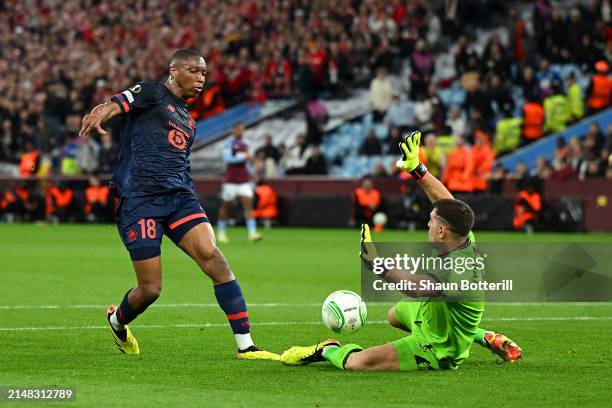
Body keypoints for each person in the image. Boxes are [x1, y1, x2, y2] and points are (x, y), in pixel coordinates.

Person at [79, 49, 276, 360]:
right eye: (194, 71)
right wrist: (99, 112)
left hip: (179, 198)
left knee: (214, 258)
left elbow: (179, 162)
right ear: (174, 71)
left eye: (204, 74)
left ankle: (246, 346)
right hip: (139, 200)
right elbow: (116, 104)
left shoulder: (188, 121)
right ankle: (117, 321)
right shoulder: (152, 92)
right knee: (151, 290)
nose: (201, 79)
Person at [280, 131, 522, 371]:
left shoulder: (456, 270)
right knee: (394, 315)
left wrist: (377, 265)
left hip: (438, 346)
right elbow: (446, 202)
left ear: (441, 232)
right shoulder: (462, 235)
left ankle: (327, 348)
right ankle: (485, 336)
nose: (428, 223)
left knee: (358, 363)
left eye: (432, 220)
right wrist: (418, 169)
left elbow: (418, 288)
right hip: (430, 310)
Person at [216, 122, 262, 243]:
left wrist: (252, 173)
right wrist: (243, 157)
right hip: (230, 180)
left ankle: (252, 233)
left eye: (242, 129)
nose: (240, 131)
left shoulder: (247, 143)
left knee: (248, 204)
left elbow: (247, 162)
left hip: (244, 180)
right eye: (238, 129)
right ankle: (221, 232)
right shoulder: (228, 143)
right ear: (234, 130)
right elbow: (227, 159)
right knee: (226, 205)